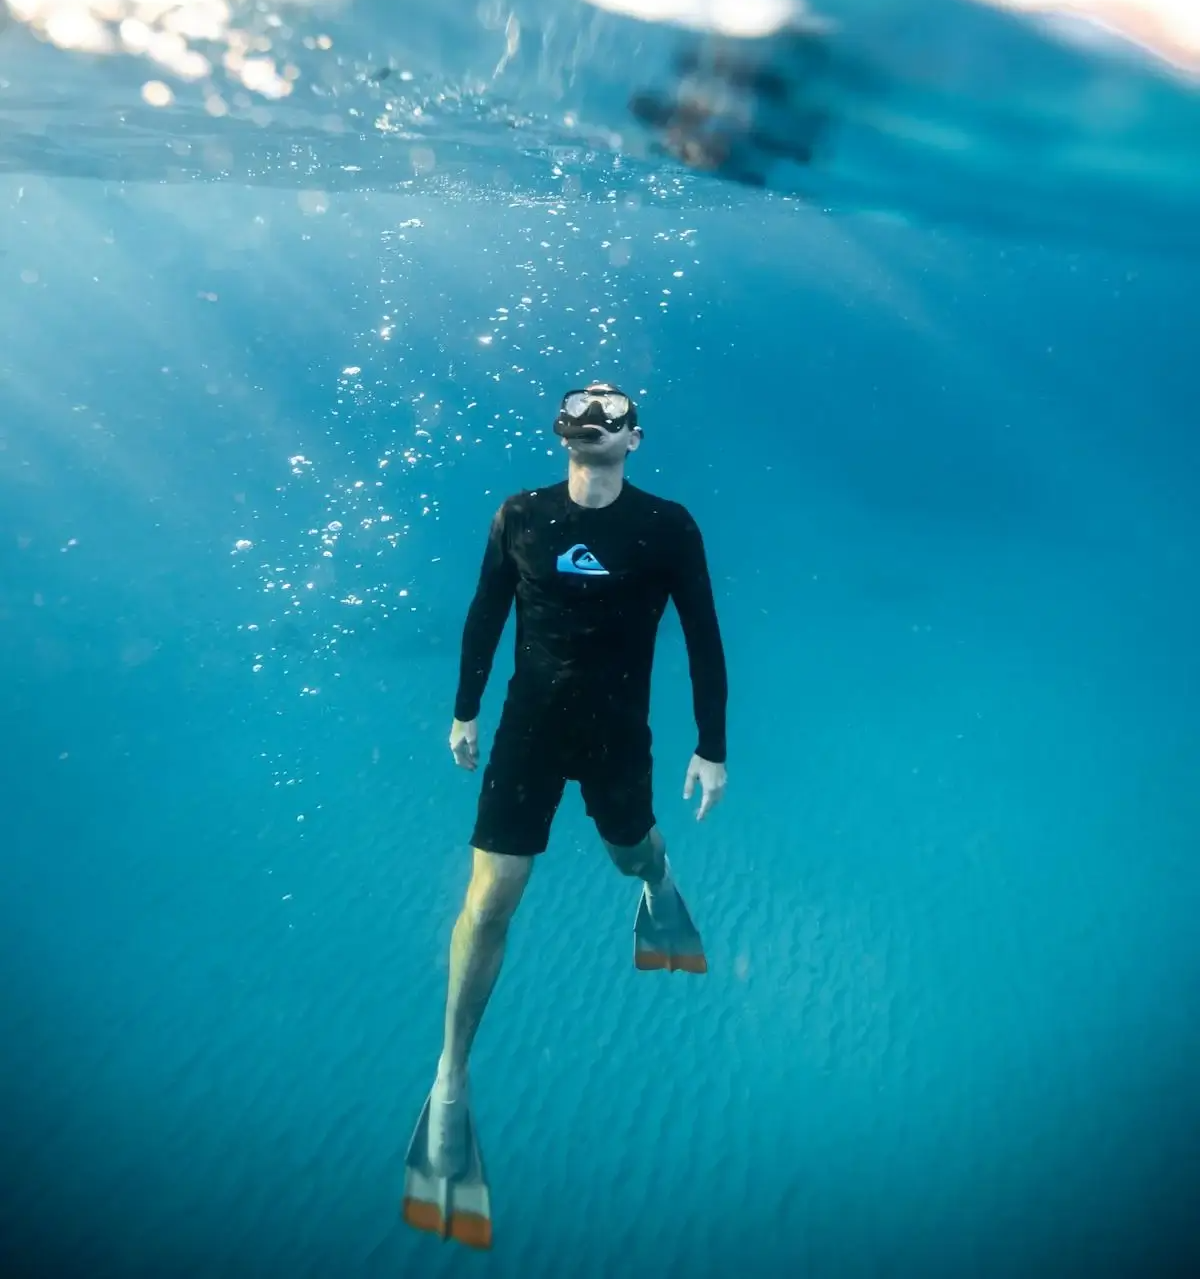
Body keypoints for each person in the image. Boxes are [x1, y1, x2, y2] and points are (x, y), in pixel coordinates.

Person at [401, 383, 729, 1249]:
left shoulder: (668, 526)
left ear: (635, 438)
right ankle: (451, 1077)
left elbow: (703, 634)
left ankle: (658, 882)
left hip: (620, 734)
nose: (596, 418)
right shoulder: (520, 515)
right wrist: (464, 709)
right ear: (563, 431)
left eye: (613, 410)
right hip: (529, 730)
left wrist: (712, 746)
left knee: (630, 854)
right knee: (490, 897)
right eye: (583, 406)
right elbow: (484, 614)